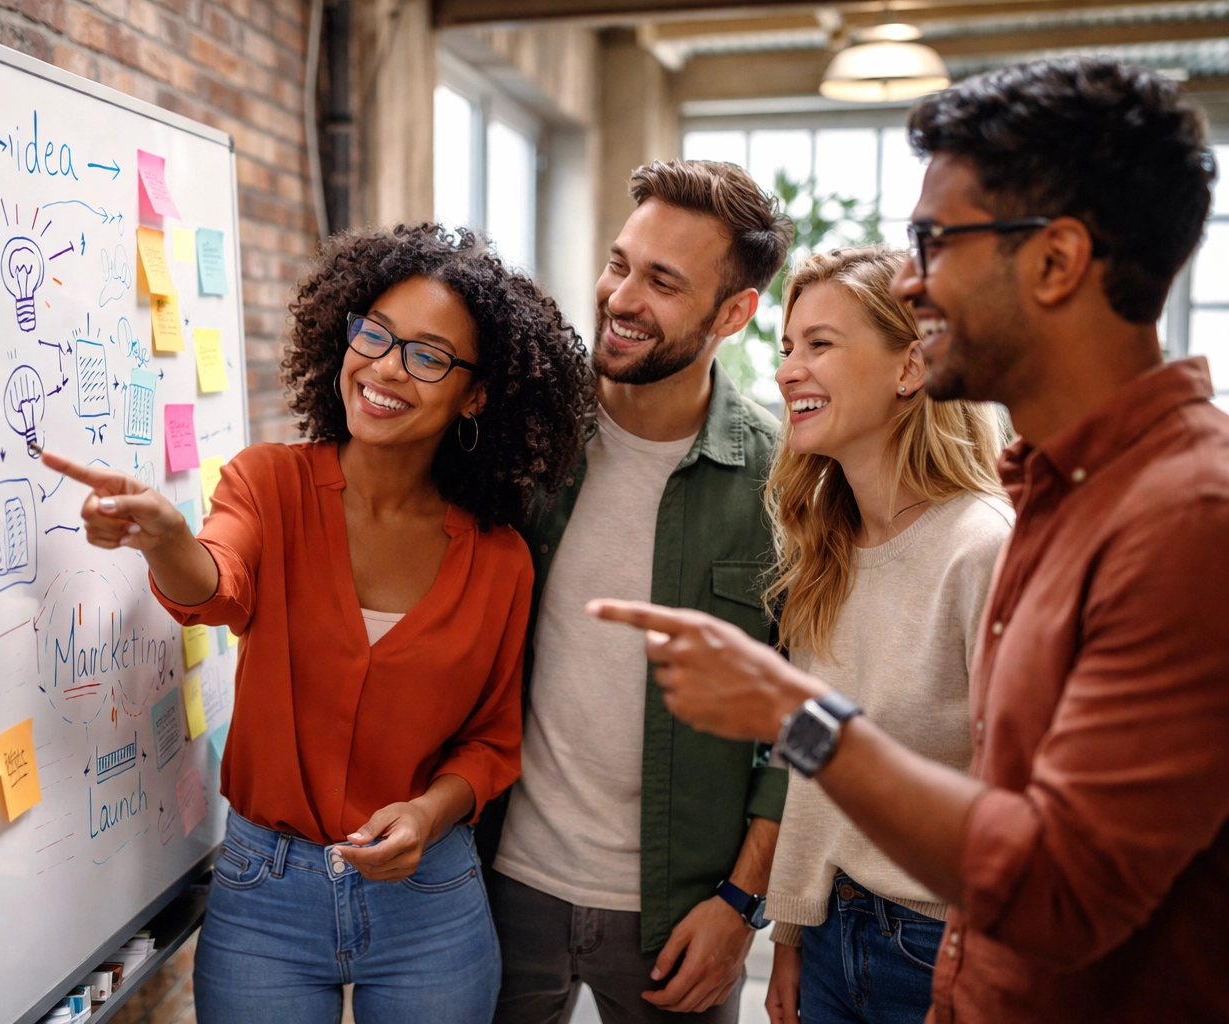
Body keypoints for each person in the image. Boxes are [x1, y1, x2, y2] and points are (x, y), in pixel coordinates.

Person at [588, 58, 1229, 1023]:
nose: (915, 284)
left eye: (936, 241)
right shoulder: (1061, 493)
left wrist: (788, 711)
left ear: (1055, 262)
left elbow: (1058, 892)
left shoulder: (1185, 523)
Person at [44, 223, 594, 1024]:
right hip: (265, 897)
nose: (384, 368)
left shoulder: (500, 557)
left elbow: (492, 739)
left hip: (430, 900)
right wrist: (165, 537)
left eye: (428, 355)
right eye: (374, 334)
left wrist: (427, 813)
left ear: (476, 395)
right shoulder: (268, 484)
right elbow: (216, 587)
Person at [482, 159, 794, 1024]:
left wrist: (740, 906)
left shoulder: (785, 485)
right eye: (620, 263)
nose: (621, 297)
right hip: (498, 885)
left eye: (662, 280)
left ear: (734, 313)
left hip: (682, 916)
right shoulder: (524, 439)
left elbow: (808, 724)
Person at [755, 247, 1011, 1024]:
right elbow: (812, 767)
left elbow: (1012, 798)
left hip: (941, 951)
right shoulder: (825, 548)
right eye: (787, 347)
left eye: (820, 344)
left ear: (910, 367)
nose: (788, 370)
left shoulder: (984, 547)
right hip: (834, 934)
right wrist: (793, 937)